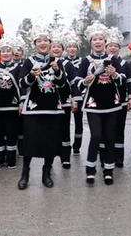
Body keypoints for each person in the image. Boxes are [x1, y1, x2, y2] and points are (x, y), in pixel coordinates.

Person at [17, 19, 66, 190]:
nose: (43, 43)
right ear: (35, 44)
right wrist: (31, 75)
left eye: (46, 40)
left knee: (50, 143)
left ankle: (46, 174)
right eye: (39, 40)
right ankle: (25, 175)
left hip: (53, 108)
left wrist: (58, 70)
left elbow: (62, 84)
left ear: (51, 43)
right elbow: (22, 83)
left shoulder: (57, 61)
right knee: (30, 143)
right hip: (33, 109)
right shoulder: (29, 61)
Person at [74, 22, 124, 185]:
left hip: (112, 104)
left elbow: (122, 81)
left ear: (105, 42)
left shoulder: (113, 60)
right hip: (93, 104)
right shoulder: (85, 61)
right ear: (90, 42)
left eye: (101, 39)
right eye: (94, 39)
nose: (97, 42)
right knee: (95, 136)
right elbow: (77, 81)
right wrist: (85, 82)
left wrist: (115, 74)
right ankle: (90, 170)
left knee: (110, 137)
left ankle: (108, 170)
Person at [0, 33, 22, 170]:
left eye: (9, 51)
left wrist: (22, 102)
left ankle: (11, 158)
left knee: (12, 132)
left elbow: (22, 87)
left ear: (13, 53)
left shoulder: (18, 68)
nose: (6, 53)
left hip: (13, 106)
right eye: (3, 51)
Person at [104, 27, 131, 168]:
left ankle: (119, 157)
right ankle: (104, 154)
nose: (113, 48)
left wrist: (130, 98)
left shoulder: (125, 64)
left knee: (119, 129)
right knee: (105, 129)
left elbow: (130, 82)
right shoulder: (100, 62)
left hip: (121, 101)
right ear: (106, 47)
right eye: (110, 45)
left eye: (116, 46)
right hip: (104, 102)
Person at [49, 31, 79, 169]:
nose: (56, 49)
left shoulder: (68, 64)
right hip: (48, 102)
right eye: (53, 46)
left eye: (58, 46)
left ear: (63, 49)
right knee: (50, 131)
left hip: (65, 101)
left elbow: (73, 83)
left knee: (64, 129)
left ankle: (65, 157)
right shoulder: (43, 62)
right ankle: (49, 157)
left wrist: (75, 100)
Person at [63, 33, 83, 155]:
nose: (72, 49)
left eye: (74, 47)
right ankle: (65, 144)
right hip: (65, 95)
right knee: (65, 121)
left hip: (78, 94)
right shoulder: (62, 62)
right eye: (69, 47)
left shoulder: (82, 61)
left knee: (78, 120)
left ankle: (77, 145)